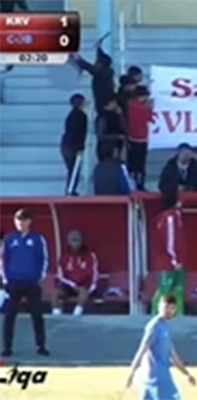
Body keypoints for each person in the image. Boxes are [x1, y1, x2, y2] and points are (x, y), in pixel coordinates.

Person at [125, 294, 196, 400]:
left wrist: (186, 374)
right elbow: (142, 349)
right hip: (157, 378)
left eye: (172, 308)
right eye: (166, 307)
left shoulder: (165, 327)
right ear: (159, 307)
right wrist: (131, 373)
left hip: (160, 377)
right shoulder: (154, 326)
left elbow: (173, 355)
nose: (169, 311)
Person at [1, 209, 49, 357]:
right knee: (10, 316)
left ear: (29, 221)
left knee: (37, 315)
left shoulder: (37, 238)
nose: (20, 223)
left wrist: (39, 277)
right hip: (14, 282)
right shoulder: (9, 239)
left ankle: (41, 346)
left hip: (31, 283)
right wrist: (6, 279)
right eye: (17, 220)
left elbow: (44, 258)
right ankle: (7, 347)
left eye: (23, 220)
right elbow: (3, 259)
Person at [153, 186, 186, 316]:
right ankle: (157, 317)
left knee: (177, 291)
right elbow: (170, 240)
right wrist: (175, 261)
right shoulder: (169, 217)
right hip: (167, 263)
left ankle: (178, 317)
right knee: (164, 292)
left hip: (175, 261)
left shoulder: (176, 215)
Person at [52, 230, 99, 317]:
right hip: (69, 285)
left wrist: (91, 288)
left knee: (83, 291)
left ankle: (76, 314)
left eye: (77, 240)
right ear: (69, 242)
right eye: (73, 241)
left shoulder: (90, 256)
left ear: (81, 241)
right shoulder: (64, 257)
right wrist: (73, 285)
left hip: (84, 285)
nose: (75, 243)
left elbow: (95, 274)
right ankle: (56, 315)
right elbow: (60, 276)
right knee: (56, 293)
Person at [71, 43, 115, 116]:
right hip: (104, 105)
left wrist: (77, 58)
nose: (95, 64)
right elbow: (99, 58)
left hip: (105, 106)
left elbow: (88, 67)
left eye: (97, 63)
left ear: (101, 65)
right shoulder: (106, 71)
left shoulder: (102, 73)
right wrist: (98, 48)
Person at [60, 93, 88, 195]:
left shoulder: (70, 116)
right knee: (74, 170)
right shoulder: (82, 116)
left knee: (71, 169)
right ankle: (71, 190)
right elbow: (81, 134)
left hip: (66, 145)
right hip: (73, 146)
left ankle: (70, 189)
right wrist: (80, 147)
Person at [127, 85, 152, 190]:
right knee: (139, 164)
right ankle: (138, 184)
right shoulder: (138, 107)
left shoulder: (131, 105)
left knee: (136, 164)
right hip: (138, 138)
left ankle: (136, 183)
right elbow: (148, 117)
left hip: (136, 138)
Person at [96, 96, 127, 162]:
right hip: (106, 148)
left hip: (116, 146)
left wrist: (120, 115)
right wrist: (117, 136)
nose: (115, 104)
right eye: (113, 102)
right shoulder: (103, 118)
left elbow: (123, 127)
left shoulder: (115, 115)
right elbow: (100, 136)